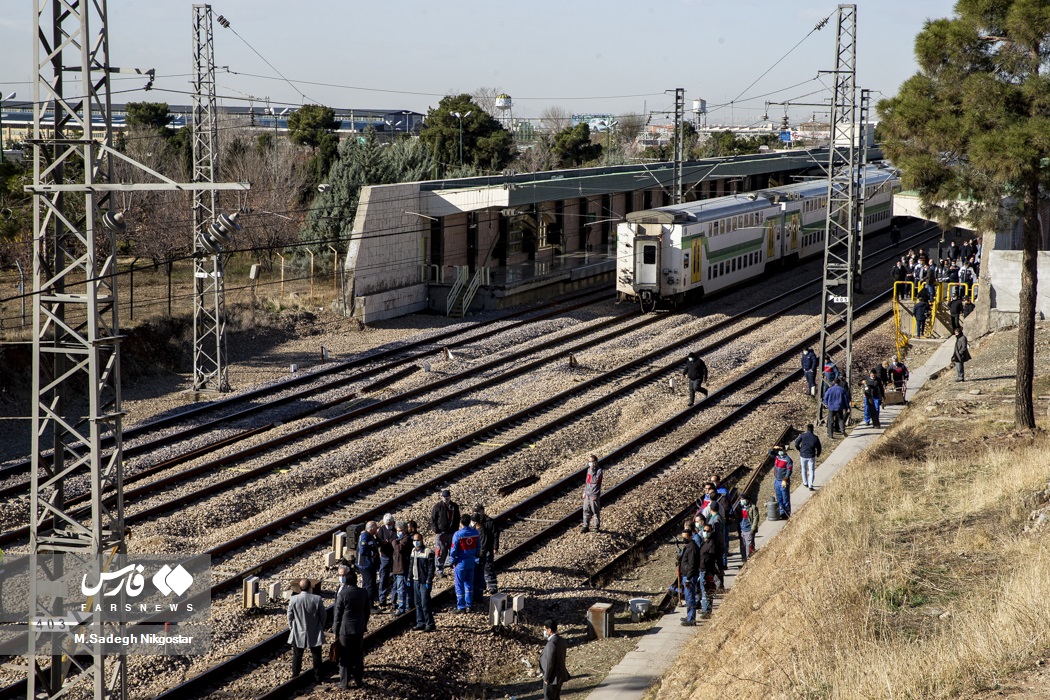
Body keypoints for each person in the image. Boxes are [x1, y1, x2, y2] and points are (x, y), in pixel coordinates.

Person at [333, 569, 370, 689]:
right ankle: (359, 680)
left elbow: (337, 615)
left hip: (345, 629)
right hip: (358, 628)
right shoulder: (363, 592)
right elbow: (367, 611)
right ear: (356, 581)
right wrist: (364, 624)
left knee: (344, 656)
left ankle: (344, 682)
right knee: (358, 655)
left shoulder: (343, 594)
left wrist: (335, 631)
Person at [287, 577, 326, 684]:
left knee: (297, 654)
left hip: (298, 630)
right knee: (316, 654)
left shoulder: (293, 599)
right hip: (314, 630)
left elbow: (289, 616)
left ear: (300, 588)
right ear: (310, 587)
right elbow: (323, 615)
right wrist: (320, 626)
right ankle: (318, 677)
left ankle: (295, 674)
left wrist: (292, 628)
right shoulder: (317, 599)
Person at [450, 514, 480, 613]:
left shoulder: (458, 534)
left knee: (459, 584)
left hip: (461, 562)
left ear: (461, 523)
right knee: (469, 584)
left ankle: (461, 606)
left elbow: (454, 549)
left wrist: (452, 560)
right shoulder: (475, 533)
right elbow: (478, 548)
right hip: (471, 561)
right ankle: (469, 604)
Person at [408, 531, 436, 631]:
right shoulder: (413, 551)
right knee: (418, 603)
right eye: (414, 540)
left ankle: (430, 623)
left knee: (425, 603)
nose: (416, 542)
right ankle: (420, 622)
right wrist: (409, 577)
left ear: (421, 540)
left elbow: (431, 568)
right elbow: (411, 565)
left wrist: (429, 580)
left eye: (417, 540)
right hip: (415, 580)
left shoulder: (428, 551)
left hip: (424, 581)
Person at [430, 489, 461, 578]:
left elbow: (457, 518)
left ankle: (451, 565)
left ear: (450, 497)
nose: (445, 499)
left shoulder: (454, 506)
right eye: (444, 497)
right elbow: (433, 519)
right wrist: (436, 530)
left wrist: (456, 529)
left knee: (453, 550)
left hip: (452, 532)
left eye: (447, 497)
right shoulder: (437, 506)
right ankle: (439, 569)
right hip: (441, 533)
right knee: (440, 551)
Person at [472, 504, 500, 595]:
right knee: (479, 567)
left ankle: (492, 586)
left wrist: (495, 547)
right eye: (476, 512)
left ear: (483, 511)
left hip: (488, 548)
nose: (478, 513)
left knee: (488, 567)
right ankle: (482, 585)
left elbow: (496, 535)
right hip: (478, 549)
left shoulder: (490, 522)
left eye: (479, 511)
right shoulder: (474, 523)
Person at [539, 619, 571, 700]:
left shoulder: (551, 644)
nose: (544, 632)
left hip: (552, 678)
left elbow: (550, 662)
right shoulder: (561, 640)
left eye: (545, 630)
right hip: (560, 676)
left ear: (549, 630)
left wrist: (546, 677)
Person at [677, 528, 700, 626]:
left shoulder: (692, 547)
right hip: (686, 575)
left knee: (690, 597)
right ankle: (689, 615)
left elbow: (692, 564)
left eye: (686, 538)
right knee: (688, 597)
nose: (684, 540)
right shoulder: (688, 546)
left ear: (691, 536)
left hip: (689, 576)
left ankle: (691, 619)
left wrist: (689, 578)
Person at [356, 521, 380, 608]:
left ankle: (365, 603)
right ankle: (369, 605)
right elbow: (362, 551)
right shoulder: (365, 536)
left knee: (368, 584)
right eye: (376, 528)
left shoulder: (370, 536)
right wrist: (372, 554)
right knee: (369, 585)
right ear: (372, 528)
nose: (376, 530)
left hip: (368, 564)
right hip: (365, 564)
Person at [697, 523, 719, 618]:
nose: (705, 532)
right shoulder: (704, 542)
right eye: (704, 530)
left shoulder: (711, 544)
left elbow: (711, 558)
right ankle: (705, 608)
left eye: (707, 531)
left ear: (711, 532)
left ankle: (707, 611)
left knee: (706, 590)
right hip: (702, 569)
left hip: (707, 570)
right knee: (704, 589)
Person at [390, 521, 412, 615]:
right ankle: (406, 606)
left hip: (402, 568)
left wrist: (394, 542)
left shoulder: (406, 539)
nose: (398, 532)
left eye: (400, 530)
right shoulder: (401, 539)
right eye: (397, 530)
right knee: (402, 588)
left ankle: (402, 607)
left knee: (401, 588)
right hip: (398, 567)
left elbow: (399, 549)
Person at [376, 513, 397, 609]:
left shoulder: (396, 530)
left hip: (394, 557)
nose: (388, 526)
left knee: (396, 578)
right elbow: (378, 541)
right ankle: (382, 599)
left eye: (390, 523)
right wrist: (383, 542)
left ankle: (394, 599)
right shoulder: (381, 530)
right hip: (384, 557)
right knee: (383, 578)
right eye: (387, 524)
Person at [793, 423, 822, 490]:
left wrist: (799, 449)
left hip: (803, 455)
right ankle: (810, 485)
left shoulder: (802, 436)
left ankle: (805, 483)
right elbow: (819, 447)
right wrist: (818, 454)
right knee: (811, 470)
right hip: (811, 456)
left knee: (803, 469)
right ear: (813, 429)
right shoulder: (815, 438)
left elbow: (796, 443)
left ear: (807, 429)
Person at [770, 446, 794, 519]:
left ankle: (787, 513)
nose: (779, 451)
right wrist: (773, 448)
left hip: (783, 481)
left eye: (781, 450)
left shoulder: (788, 460)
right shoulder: (777, 457)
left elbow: (789, 470)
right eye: (779, 450)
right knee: (779, 498)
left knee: (785, 498)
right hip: (777, 480)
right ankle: (781, 512)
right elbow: (770, 453)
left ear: (784, 450)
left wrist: (785, 479)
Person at [582, 455, 602, 533]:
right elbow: (587, 482)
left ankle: (596, 527)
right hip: (587, 494)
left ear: (596, 462)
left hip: (594, 494)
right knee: (586, 510)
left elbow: (594, 481)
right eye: (589, 462)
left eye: (592, 462)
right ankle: (585, 526)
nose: (590, 463)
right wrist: (584, 491)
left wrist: (592, 470)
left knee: (595, 511)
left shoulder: (599, 471)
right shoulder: (588, 470)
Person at [736, 496, 759, 562]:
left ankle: (750, 559)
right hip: (742, 529)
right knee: (743, 546)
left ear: (747, 500)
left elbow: (755, 518)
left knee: (749, 546)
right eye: (740, 499)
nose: (741, 500)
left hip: (749, 529)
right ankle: (744, 560)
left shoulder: (753, 507)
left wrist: (752, 529)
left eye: (743, 499)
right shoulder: (740, 507)